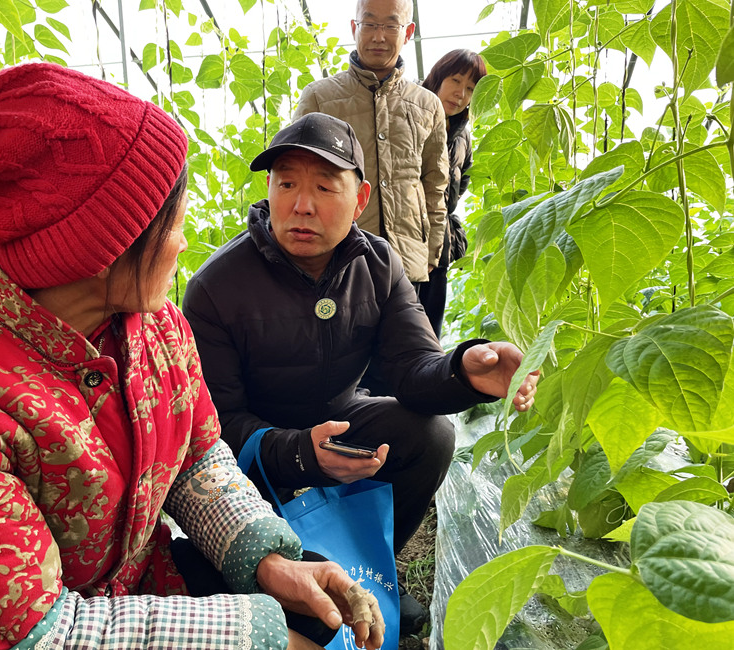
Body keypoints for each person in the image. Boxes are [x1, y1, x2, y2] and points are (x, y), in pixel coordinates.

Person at [0, 63, 385, 650]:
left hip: (129, 593)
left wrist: (266, 559)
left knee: (315, 609)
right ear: (103, 243)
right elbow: (38, 635)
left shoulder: (149, 319)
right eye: (173, 224)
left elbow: (195, 454)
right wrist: (260, 638)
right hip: (33, 634)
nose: (185, 243)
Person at [182, 112, 539, 636]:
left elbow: (413, 367)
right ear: (269, 189)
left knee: (432, 435)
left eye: (324, 187)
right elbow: (214, 428)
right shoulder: (217, 287)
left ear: (360, 198)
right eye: (287, 184)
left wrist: (462, 371)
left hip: (338, 421)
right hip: (254, 448)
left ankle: (371, 571)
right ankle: (293, 576)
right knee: (312, 622)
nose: (301, 205)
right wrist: (300, 450)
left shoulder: (377, 265)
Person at [293, 0, 449, 289]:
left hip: (408, 263)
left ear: (408, 32)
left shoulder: (428, 105)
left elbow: (435, 184)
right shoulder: (319, 98)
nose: (379, 36)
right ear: (354, 28)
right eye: (370, 24)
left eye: (391, 25)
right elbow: (296, 178)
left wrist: (431, 252)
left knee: (408, 336)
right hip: (338, 262)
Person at [417, 49, 488, 337]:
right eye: (455, 81)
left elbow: (460, 185)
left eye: (470, 88)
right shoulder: (409, 113)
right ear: (437, 77)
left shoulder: (462, 135)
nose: (460, 93)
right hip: (404, 238)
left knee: (429, 332)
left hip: (439, 244)